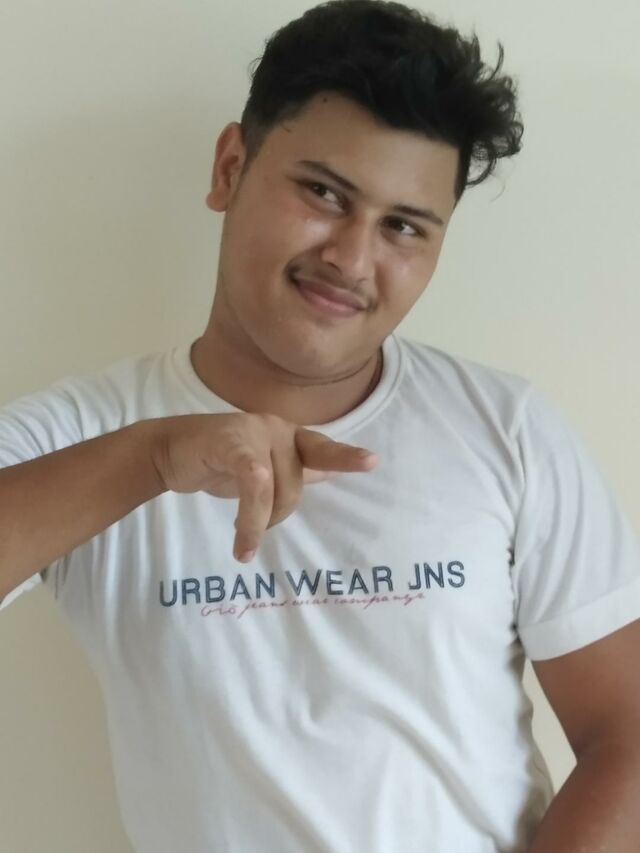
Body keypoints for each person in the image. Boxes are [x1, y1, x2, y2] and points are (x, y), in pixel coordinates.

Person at [1, 0, 639, 850]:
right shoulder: (88, 431)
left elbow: (625, 733)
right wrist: (155, 457)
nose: (351, 257)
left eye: (403, 226)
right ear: (231, 167)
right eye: (323, 193)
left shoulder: (506, 427)